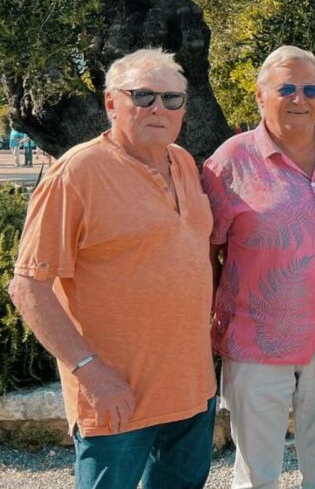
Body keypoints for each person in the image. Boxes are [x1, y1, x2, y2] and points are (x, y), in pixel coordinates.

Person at [7, 48, 216, 488]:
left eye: (171, 99)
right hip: (116, 397)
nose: (158, 107)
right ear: (111, 103)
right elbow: (28, 287)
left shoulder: (182, 162)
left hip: (192, 390)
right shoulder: (77, 173)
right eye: (142, 96)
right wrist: (91, 372)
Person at [201, 46, 315, 488]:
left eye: (311, 89)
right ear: (260, 95)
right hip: (257, 343)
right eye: (287, 89)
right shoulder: (228, 163)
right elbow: (208, 253)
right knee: (257, 474)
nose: (301, 99)